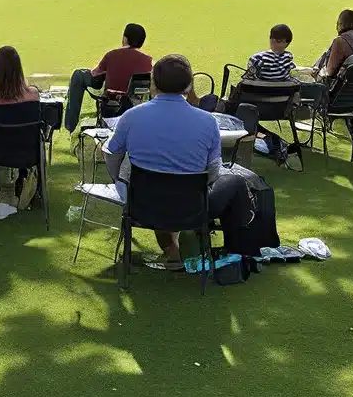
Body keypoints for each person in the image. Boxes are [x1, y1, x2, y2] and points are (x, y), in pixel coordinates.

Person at [103, 53, 259, 270]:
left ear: (153, 83)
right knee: (235, 182)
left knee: (161, 186)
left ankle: (174, 248)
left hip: (141, 204)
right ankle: (236, 252)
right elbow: (213, 171)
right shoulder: (207, 121)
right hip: (189, 206)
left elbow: (111, 154)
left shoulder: (132, 116)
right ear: (189, 84)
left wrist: (121, 182)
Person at [63, 23, 153, 131]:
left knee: (78, 74)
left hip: (110, 112)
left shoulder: (112, 55)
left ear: (125, 38)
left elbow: (94, 74)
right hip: (136, 111)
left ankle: (71, 125)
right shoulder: (148, 61)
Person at [314, 9, 353, 81]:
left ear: (341, 25)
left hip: (340, 89)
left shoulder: (340, 41)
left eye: (338, 24)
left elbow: (330, 72)